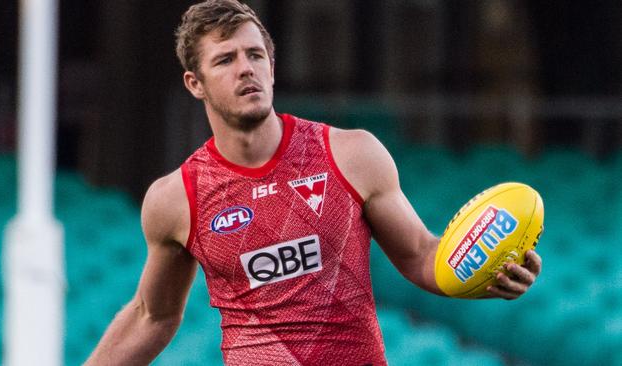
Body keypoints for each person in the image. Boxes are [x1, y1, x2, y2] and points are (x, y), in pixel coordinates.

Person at [85, 1, 543, 365]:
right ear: (195, 83)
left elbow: (421, 254)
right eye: (225, 60)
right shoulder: (174, 199)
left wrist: (485, 276)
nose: (246, 68)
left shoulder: (352, 153)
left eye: (255, 55)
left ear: (272, 67)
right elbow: (153, 316)